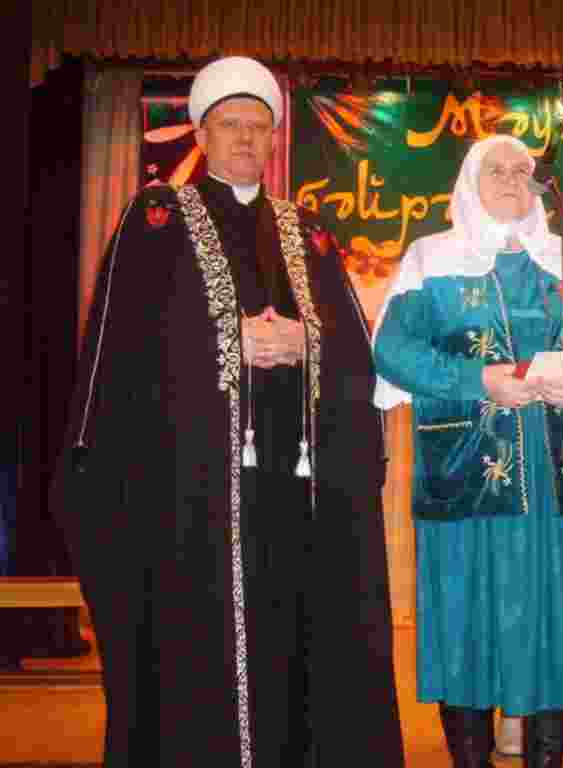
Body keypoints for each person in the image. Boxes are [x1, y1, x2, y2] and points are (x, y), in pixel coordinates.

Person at [50, 56, 404, 768]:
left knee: (301, 644)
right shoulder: (156, 221)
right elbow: (121, 351)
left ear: (273, 139)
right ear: (203, 134)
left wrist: (306, 342)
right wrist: (226, 339)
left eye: (258, 127)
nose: (245, 138)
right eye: (230, 124)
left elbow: (354, 350)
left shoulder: (309, 231)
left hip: (297, 494)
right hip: (192, 497)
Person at [373, 134, 563, 768]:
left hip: (558, 482)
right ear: (468, 184)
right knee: (465, 627)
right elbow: (392, 351)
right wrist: (478, 379)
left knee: (556, 627)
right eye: (496, 170)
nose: (512, 179)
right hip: (467, 479)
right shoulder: (432, 259)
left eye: (522, 170)